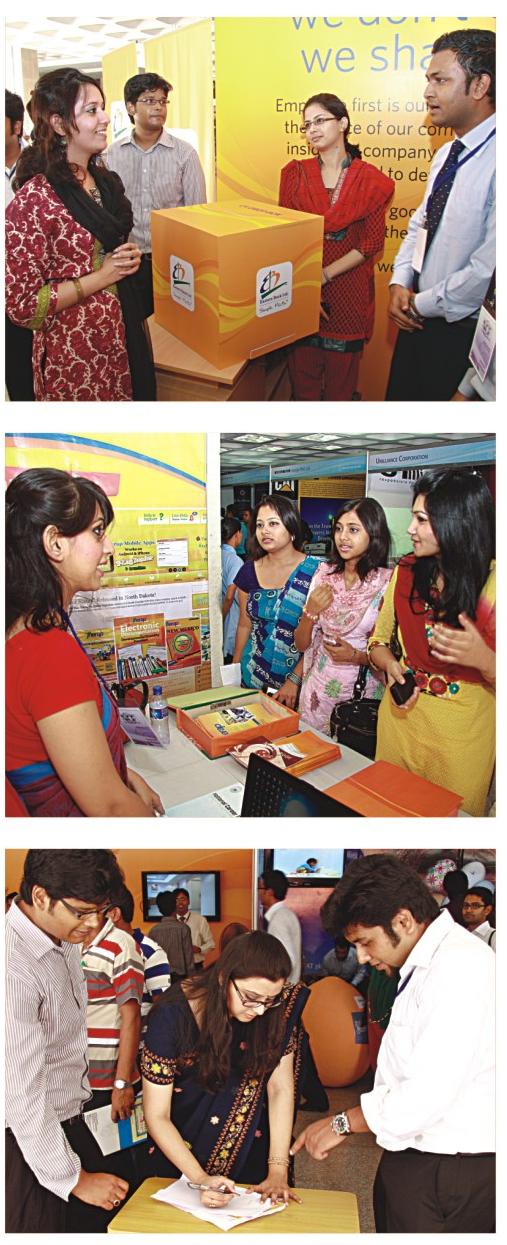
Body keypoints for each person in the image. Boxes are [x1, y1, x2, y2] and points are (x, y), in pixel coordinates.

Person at [292, 853, 495, 1233]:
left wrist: (342, 1123)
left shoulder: (459, 969)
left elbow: (428, 1092)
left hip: (450, 1168)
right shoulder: (429, 965)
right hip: (418, 1156)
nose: (362, 957)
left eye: (366, 942)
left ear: (403, 921)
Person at [6, 468, 163, 817]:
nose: (109, 548)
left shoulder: (25, 630)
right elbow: (109, 809)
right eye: (97, 532)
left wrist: (121, 775)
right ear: (55, 542)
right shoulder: (47, 652)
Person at [5, 67, 156, 401]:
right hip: (73, 357)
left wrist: (124, 257)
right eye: (91, 110)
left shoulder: (106, 183)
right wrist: (102, 276)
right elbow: (22, 305)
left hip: (120, 342)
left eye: (102, 107)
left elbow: (104, 247)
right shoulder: (35, 200)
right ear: (59, 124)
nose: (105, 118)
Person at [6, 850, 131, 1232]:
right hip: (25, 1141)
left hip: (69, 1121)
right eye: (82, 912)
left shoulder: (63, 939)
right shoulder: (12, 967)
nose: (94, 924)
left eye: (101, 910)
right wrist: (72, 1178)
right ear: (41, 897)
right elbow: (20, 1091)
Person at [141, 930, 309, 1208]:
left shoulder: (275, 1009)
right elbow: (157, 1114)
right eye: (251, 997)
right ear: (223, 978)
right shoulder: (171, 1016)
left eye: (271, 1000)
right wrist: (199, 1178)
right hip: (182, 1151)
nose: (260, 1011)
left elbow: (280, 1088)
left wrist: (278, 1170)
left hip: (251, 1145)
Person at [368, 469, 495, 815]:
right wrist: (390, 664)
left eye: (422, 520)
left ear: (458, 522)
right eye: (414, 517)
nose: (410, 529)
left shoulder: (495, 586)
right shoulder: (406, 571)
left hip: (461, 737)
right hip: (399, 722)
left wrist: (484, 659)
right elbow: (377, 642)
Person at [386, 28, 496, 401]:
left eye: (440, 80)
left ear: (480, 85)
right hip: (417, 322)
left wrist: (419, 303)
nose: (427, 92)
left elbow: (487, 270)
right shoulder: (447, 154)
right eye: (428, 80)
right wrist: (400, 282)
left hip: (463, 338)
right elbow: (421, 222)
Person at [279, 93, 394, 400]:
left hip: (348, 292)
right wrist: (307, 285)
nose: (312, 129)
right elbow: (285, 238)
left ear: (342, 123)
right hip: (303, 290)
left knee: (340, 389)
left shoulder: (370, 180)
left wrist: (325, 275)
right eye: (306, 125)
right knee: (303, 385)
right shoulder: (294, 174)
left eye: (320, 120)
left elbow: (371, 243)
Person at [106, 72, 207, 319]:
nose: (159, 107)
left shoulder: (185, 154)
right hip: (127, 262)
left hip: (173, 263)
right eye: (150, 101)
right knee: (134, 325)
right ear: (131, 107)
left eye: (163, 101)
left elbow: (197, 213)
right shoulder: (110, 156)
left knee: (174, 326)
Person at [295, 498, 391, 734]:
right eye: (338, 529)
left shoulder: (387, 583)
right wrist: (310, 612)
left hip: (362, 695)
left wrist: (357, 656)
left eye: (353, 530)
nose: (343, 537)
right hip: (318, 692)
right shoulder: (323, 575)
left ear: (374, 534)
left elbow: (395, 656)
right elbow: (301, 644)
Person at [233, 494, 319, 705]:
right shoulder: (248, 571)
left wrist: (294, 680)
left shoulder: (316, 572)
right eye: (260, 525)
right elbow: (244, 625)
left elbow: (321, 636)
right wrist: (235, 670)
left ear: (291, 529)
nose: (265, 531)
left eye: (273, 523)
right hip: (253, 675)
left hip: (300, 680)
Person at [108, 884, 171, 1036]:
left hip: (138, 1042)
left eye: (96, 912)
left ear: (114, 914)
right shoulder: (95, 949)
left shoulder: (150, 953)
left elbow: (162, 1008)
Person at [5, 88, 35, 401]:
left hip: (41, 290)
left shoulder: (42, 165)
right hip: (5, 292)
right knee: (16, 375)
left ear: (16, 126)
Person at [259, 871, 302, 985]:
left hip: (282, 989)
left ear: (269, 892)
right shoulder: (285, 914)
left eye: (260, 887)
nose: (258, 892)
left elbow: (287, 960)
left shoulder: (279, 919)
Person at [148, 890, 194, 981]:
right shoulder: (184, 929)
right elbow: (189, 961)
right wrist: (192, 981)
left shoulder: (153, 931)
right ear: (175, 906)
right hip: (180, 979)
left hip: (159, 979)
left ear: (159, 910)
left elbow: (151, 960)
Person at [174, 886, 215, 971]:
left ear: (188, 901)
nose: (180, 903)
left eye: (183, 899)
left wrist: (199, 949)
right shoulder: (170, 922)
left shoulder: (200, 920)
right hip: (175, 968)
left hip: (196, 967)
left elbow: (211, 944)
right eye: (176, 900)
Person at [221, 516, 243, 662]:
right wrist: (221, 616)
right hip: (230, 615)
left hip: (221, 608)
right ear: (237, 534)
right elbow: (230, 595)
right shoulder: (235, 560)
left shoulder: (218, 554)